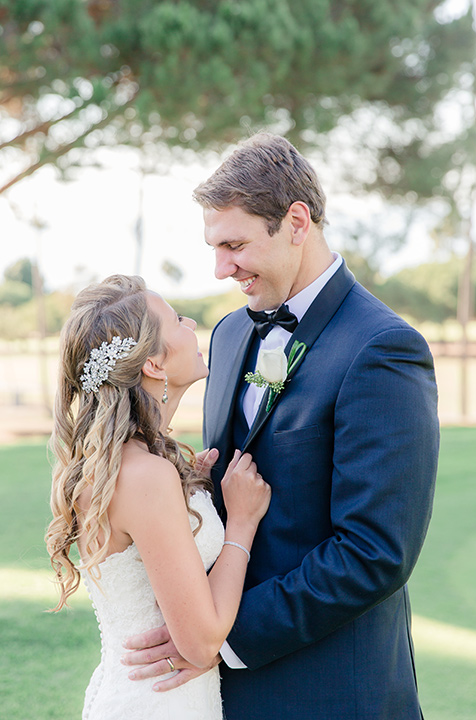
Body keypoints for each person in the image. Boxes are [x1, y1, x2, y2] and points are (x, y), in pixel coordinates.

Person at [122, 134, 439, 719]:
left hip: (332, 690)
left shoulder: (384, 349)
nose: (222, 268)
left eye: (235, 244)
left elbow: (375, 551)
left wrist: (224, 638)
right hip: (216, 692)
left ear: (296, 221)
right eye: (215, 248)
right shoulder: (228, 334)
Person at [45, 273, 271, 720]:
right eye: (177, 321)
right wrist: (241, 524)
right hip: (159, 703)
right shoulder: (145, 475)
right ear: (153, 364)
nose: (191, 325)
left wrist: (193, 495)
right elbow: (202, 642)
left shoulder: (131, 465)